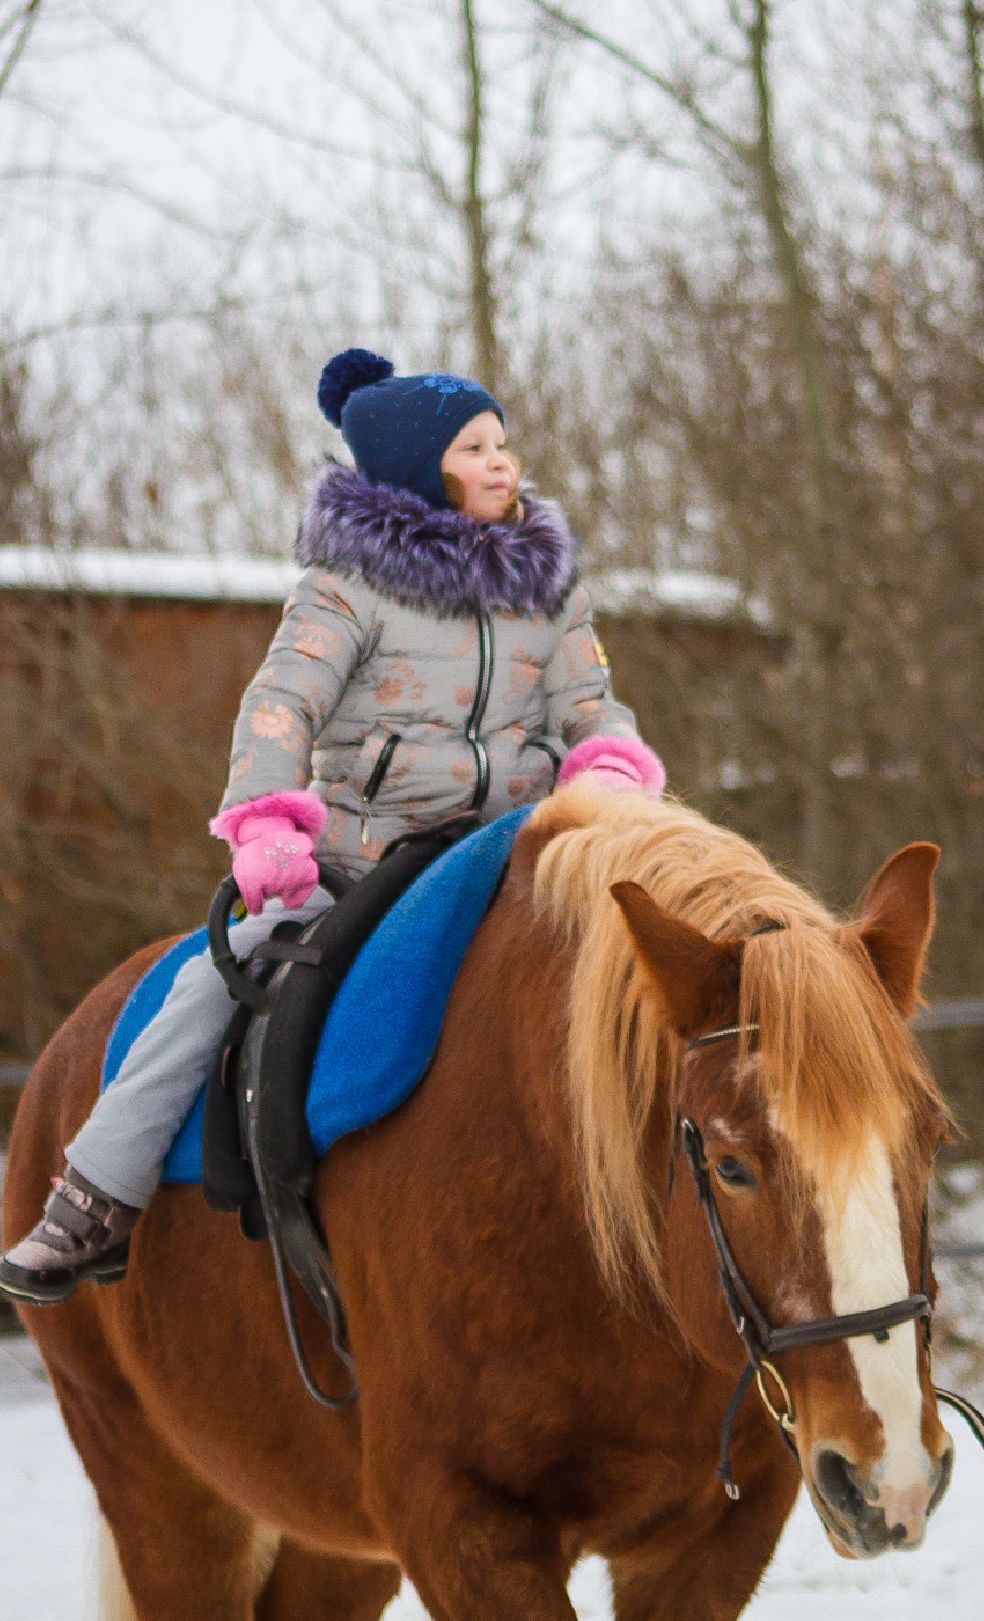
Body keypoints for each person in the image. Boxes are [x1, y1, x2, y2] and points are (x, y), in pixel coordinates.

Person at [0, 348, 665, 1305]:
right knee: (218, 976)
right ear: (415, 469)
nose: (502, 462)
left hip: (521, 841)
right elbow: (279, 707)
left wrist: (608, 769)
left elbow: (592, 703)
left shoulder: (547, 587)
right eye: (475, 447)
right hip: (369, 853)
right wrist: (269, 822)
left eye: (503, 443)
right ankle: (97, 1189)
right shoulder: (347, 589)